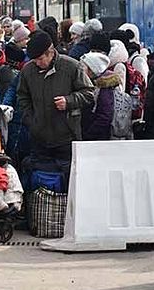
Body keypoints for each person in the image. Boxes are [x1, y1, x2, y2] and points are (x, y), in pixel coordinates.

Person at [17, 30, 95, 179]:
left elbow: (89, 93)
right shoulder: (28, 70)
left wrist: (69, 101)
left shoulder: (71, 66)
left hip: (66, 137)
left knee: (69, 180)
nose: (37, 63)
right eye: (34, 60)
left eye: (40, 59)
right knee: (40, 179)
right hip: (39, 138)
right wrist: (31, 120)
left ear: (50, 52)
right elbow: (22, 96)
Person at [79, 52, 120, 141]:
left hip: (98, 139)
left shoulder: (104, 88)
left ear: (92, 70)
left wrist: (88, 135)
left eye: (83, 67)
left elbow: (105, 117)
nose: (80, 70)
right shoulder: (93, 84)